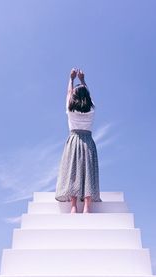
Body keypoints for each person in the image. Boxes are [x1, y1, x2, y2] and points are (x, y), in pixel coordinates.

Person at [55, 68, 101, 213]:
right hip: (88, 140)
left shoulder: (70, 109)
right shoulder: (91, 110)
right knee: (88, 171)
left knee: (73, 171)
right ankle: (87, 206)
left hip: (74, 139)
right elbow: (88, 95)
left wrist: (71, 79)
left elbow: (69, 94)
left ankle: (73, 206)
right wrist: (82, 80)